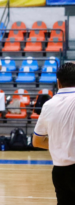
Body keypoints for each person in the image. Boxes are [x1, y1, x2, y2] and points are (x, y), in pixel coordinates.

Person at [33, 63, 75, 205]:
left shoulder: (48, 105)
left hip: (60, 172)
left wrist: (61, 146)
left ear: (58, 82)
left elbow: (37, 142)